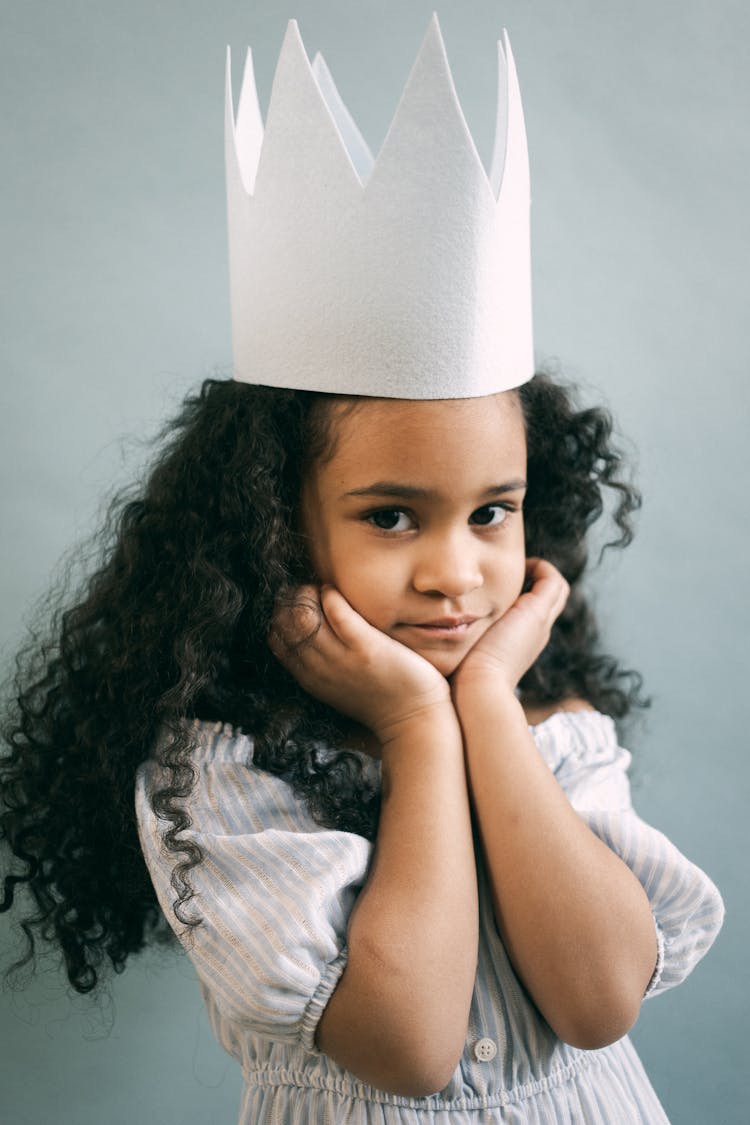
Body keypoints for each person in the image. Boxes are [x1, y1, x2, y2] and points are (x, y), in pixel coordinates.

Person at [0, 15, 723, 1124]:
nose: (456, 573)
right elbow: (412, 1046)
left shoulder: (551, 735)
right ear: (272, 528)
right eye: (391, 515)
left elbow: (597, 1002)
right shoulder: (227, 777)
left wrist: (481, 703)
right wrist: (416, 732)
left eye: (492, 513)